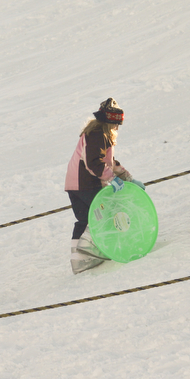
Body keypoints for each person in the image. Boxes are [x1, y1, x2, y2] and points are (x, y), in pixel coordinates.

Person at [64, 98, 145, 274]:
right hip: (86, 184)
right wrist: (112, 179)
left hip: (74, 184)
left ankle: (78, 260)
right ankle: (107, 247)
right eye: (115, 124)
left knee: (85, 220)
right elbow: (94, 163)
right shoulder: (98, 135)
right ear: (108, 121)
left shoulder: (97, 134)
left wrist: (128, 178)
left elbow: (109, 162)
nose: (116, 128)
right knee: (107, 214)